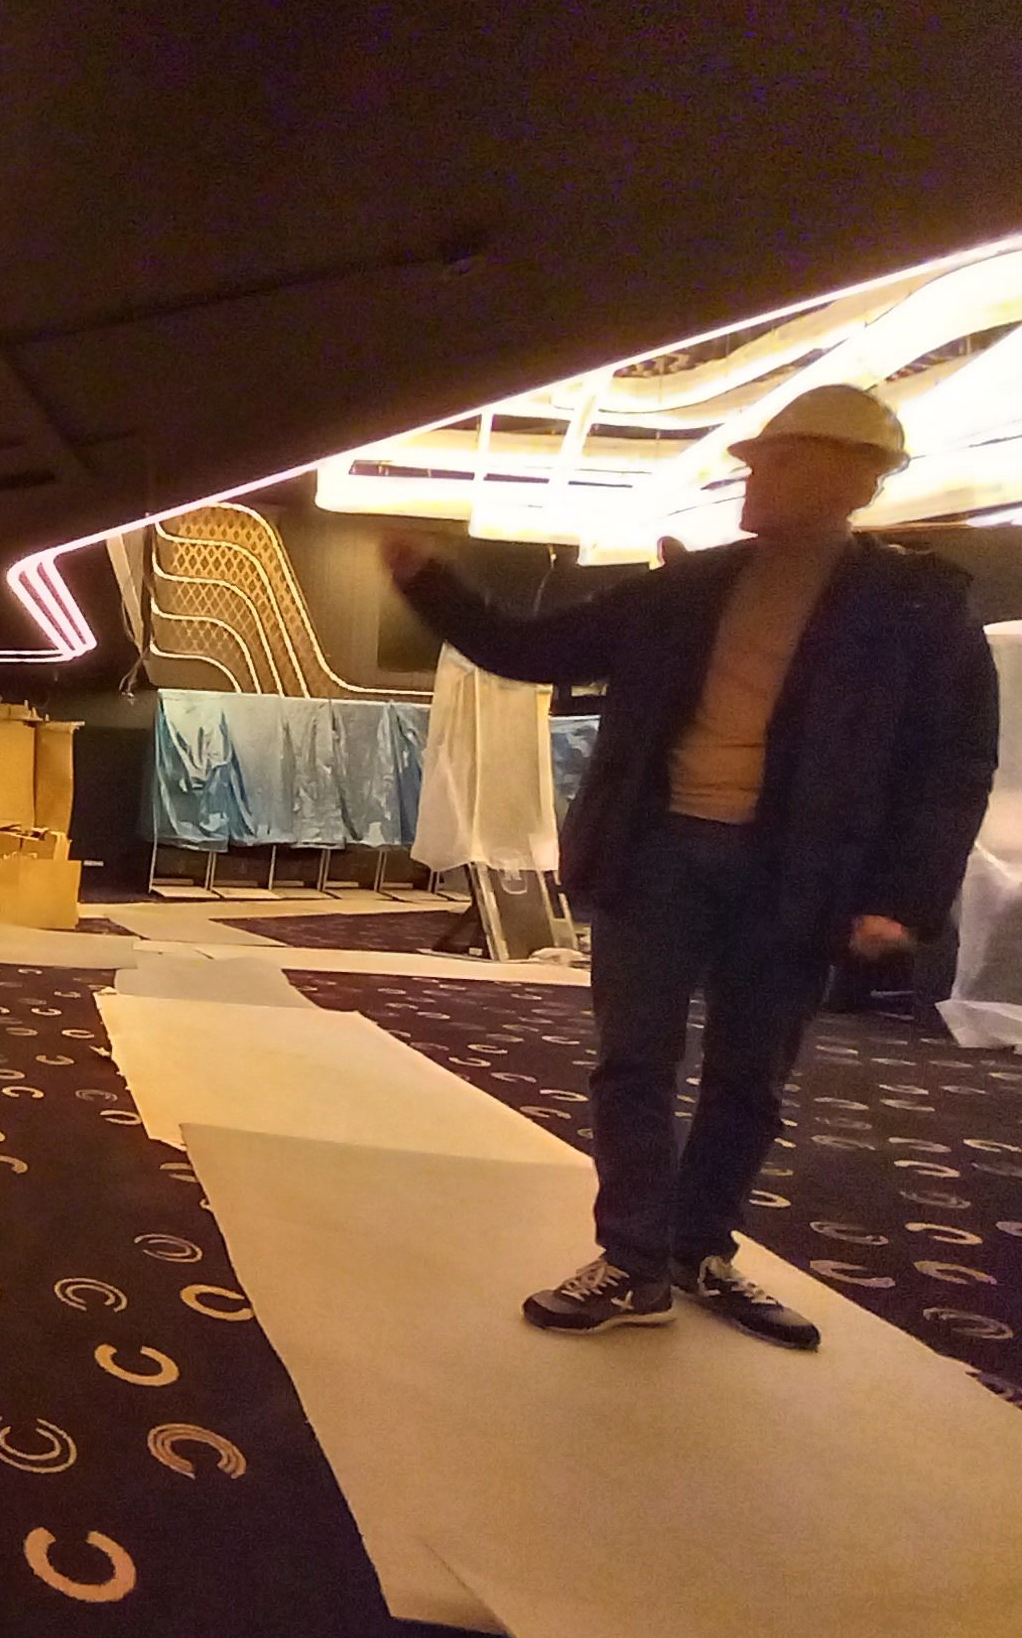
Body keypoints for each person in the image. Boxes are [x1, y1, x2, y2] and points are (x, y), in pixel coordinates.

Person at [383, 383, 998, 1350]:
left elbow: (954, 764)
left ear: (854, 481)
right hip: (658, 852)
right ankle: (633, 1262)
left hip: (795, 872)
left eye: (780, 463)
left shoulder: (917, 608)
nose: (753, 480)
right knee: (633, 1061)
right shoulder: (688, 585)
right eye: (755, 462)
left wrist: (906, 896)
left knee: (749, 1078)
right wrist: (429, 581)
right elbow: (531, 648)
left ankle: (699, 1248)